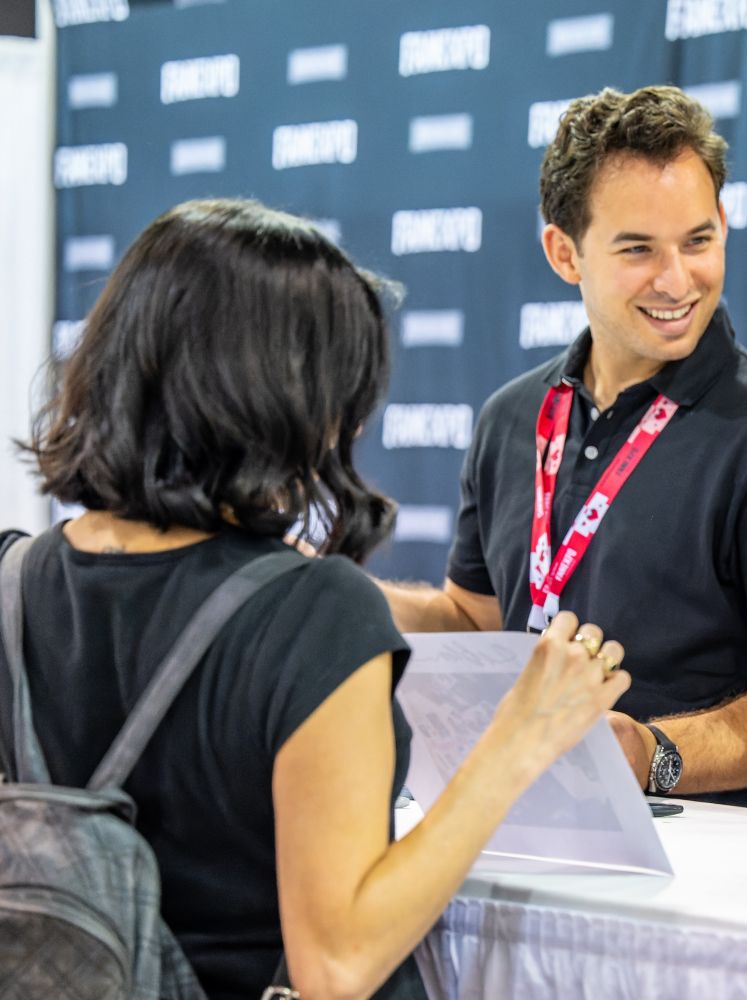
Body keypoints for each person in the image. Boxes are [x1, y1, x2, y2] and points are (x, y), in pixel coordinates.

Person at [2, 199, 629, 999]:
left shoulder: (13, 584)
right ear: (281, 395)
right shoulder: (313, 614)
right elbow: (337, 964)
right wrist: (516, 743)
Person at [380, 85, 747, 810]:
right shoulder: (512, 417)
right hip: (510, 831)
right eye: (638, 250)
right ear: (563, 252)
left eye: (698, 241)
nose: (677, 280)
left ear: (725, 223)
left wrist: (651, 754)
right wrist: (346, 596)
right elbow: (479, 624)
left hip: (708, 866)